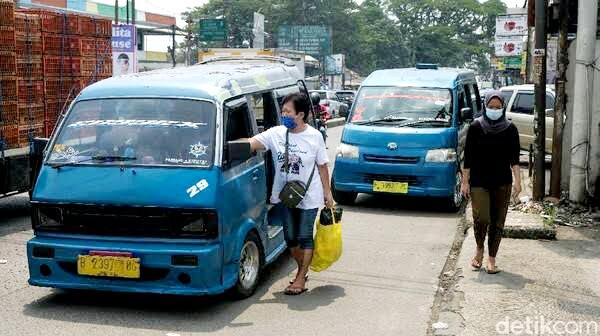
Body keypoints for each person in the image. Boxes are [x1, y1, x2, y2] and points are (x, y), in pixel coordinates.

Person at [248, 92, 334, 295]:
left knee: (304, 236)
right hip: (286, 195)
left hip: (309, 195)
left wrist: (327, 194)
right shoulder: (276, 133)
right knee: (290, 238)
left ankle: (300, 277)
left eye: (288, 112)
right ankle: (302, 268)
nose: (284, 115)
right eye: (283, 111)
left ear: (301, 114)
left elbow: (322, 166)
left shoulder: (314, 137)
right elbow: (252, 142)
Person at [461, 90, 522, 274]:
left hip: (502, 181)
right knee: (482, 218)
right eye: (491, 107)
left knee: (498, 222)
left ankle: (491, 259)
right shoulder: (475, 127)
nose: (494, 110)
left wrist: (519, 183)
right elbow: (468, 158)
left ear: (503, 108)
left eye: (498, 107)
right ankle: (479, 249)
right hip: (479, 181)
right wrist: (465, 182)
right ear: (485, 107)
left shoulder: (510, 129)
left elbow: (515, 160)